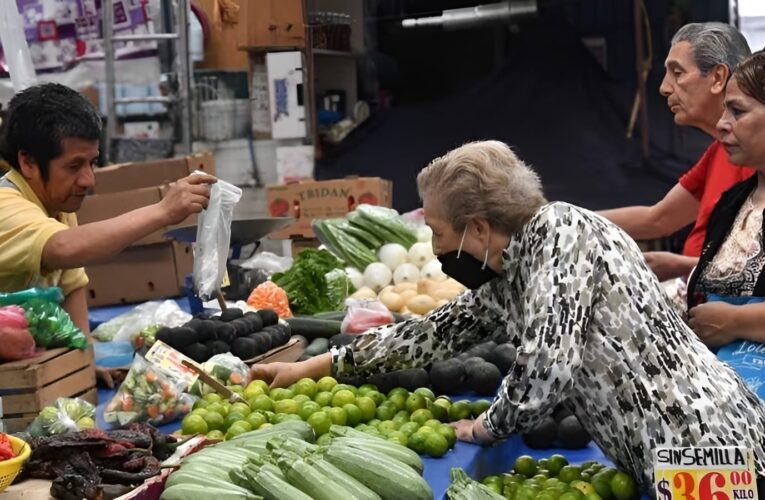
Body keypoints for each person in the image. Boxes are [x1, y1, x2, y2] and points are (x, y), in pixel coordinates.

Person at [252, 140, 765, 492]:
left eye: (437, 230)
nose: (435, 246)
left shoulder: (564, 234)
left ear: (477, 227)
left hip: (704, 444)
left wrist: (486, 428)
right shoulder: (514, 270)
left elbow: (547, 367)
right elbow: (426, 336)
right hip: (668, 453)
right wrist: (305, 369)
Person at [0, 83, 215, 384]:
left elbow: (72, 285)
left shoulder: (58, 206)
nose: (88, 180)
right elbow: (65, 248)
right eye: (74, 165)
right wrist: (163, 211)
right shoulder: (5, 206)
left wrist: (83, 365)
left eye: (92, 162)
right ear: (28, 162)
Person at [599, 22, 753, 281]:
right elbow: (658, 217)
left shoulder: (755, 158)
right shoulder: (718, 153)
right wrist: (567, 217)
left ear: (717, 78)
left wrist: (683, 266)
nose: (664, 87)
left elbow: (753, 268)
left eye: (677, 73)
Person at [686, 50, 765, 347]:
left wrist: (736, 322)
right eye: (724, 111)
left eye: (738, 111)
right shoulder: (730, 204)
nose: (721, 124)